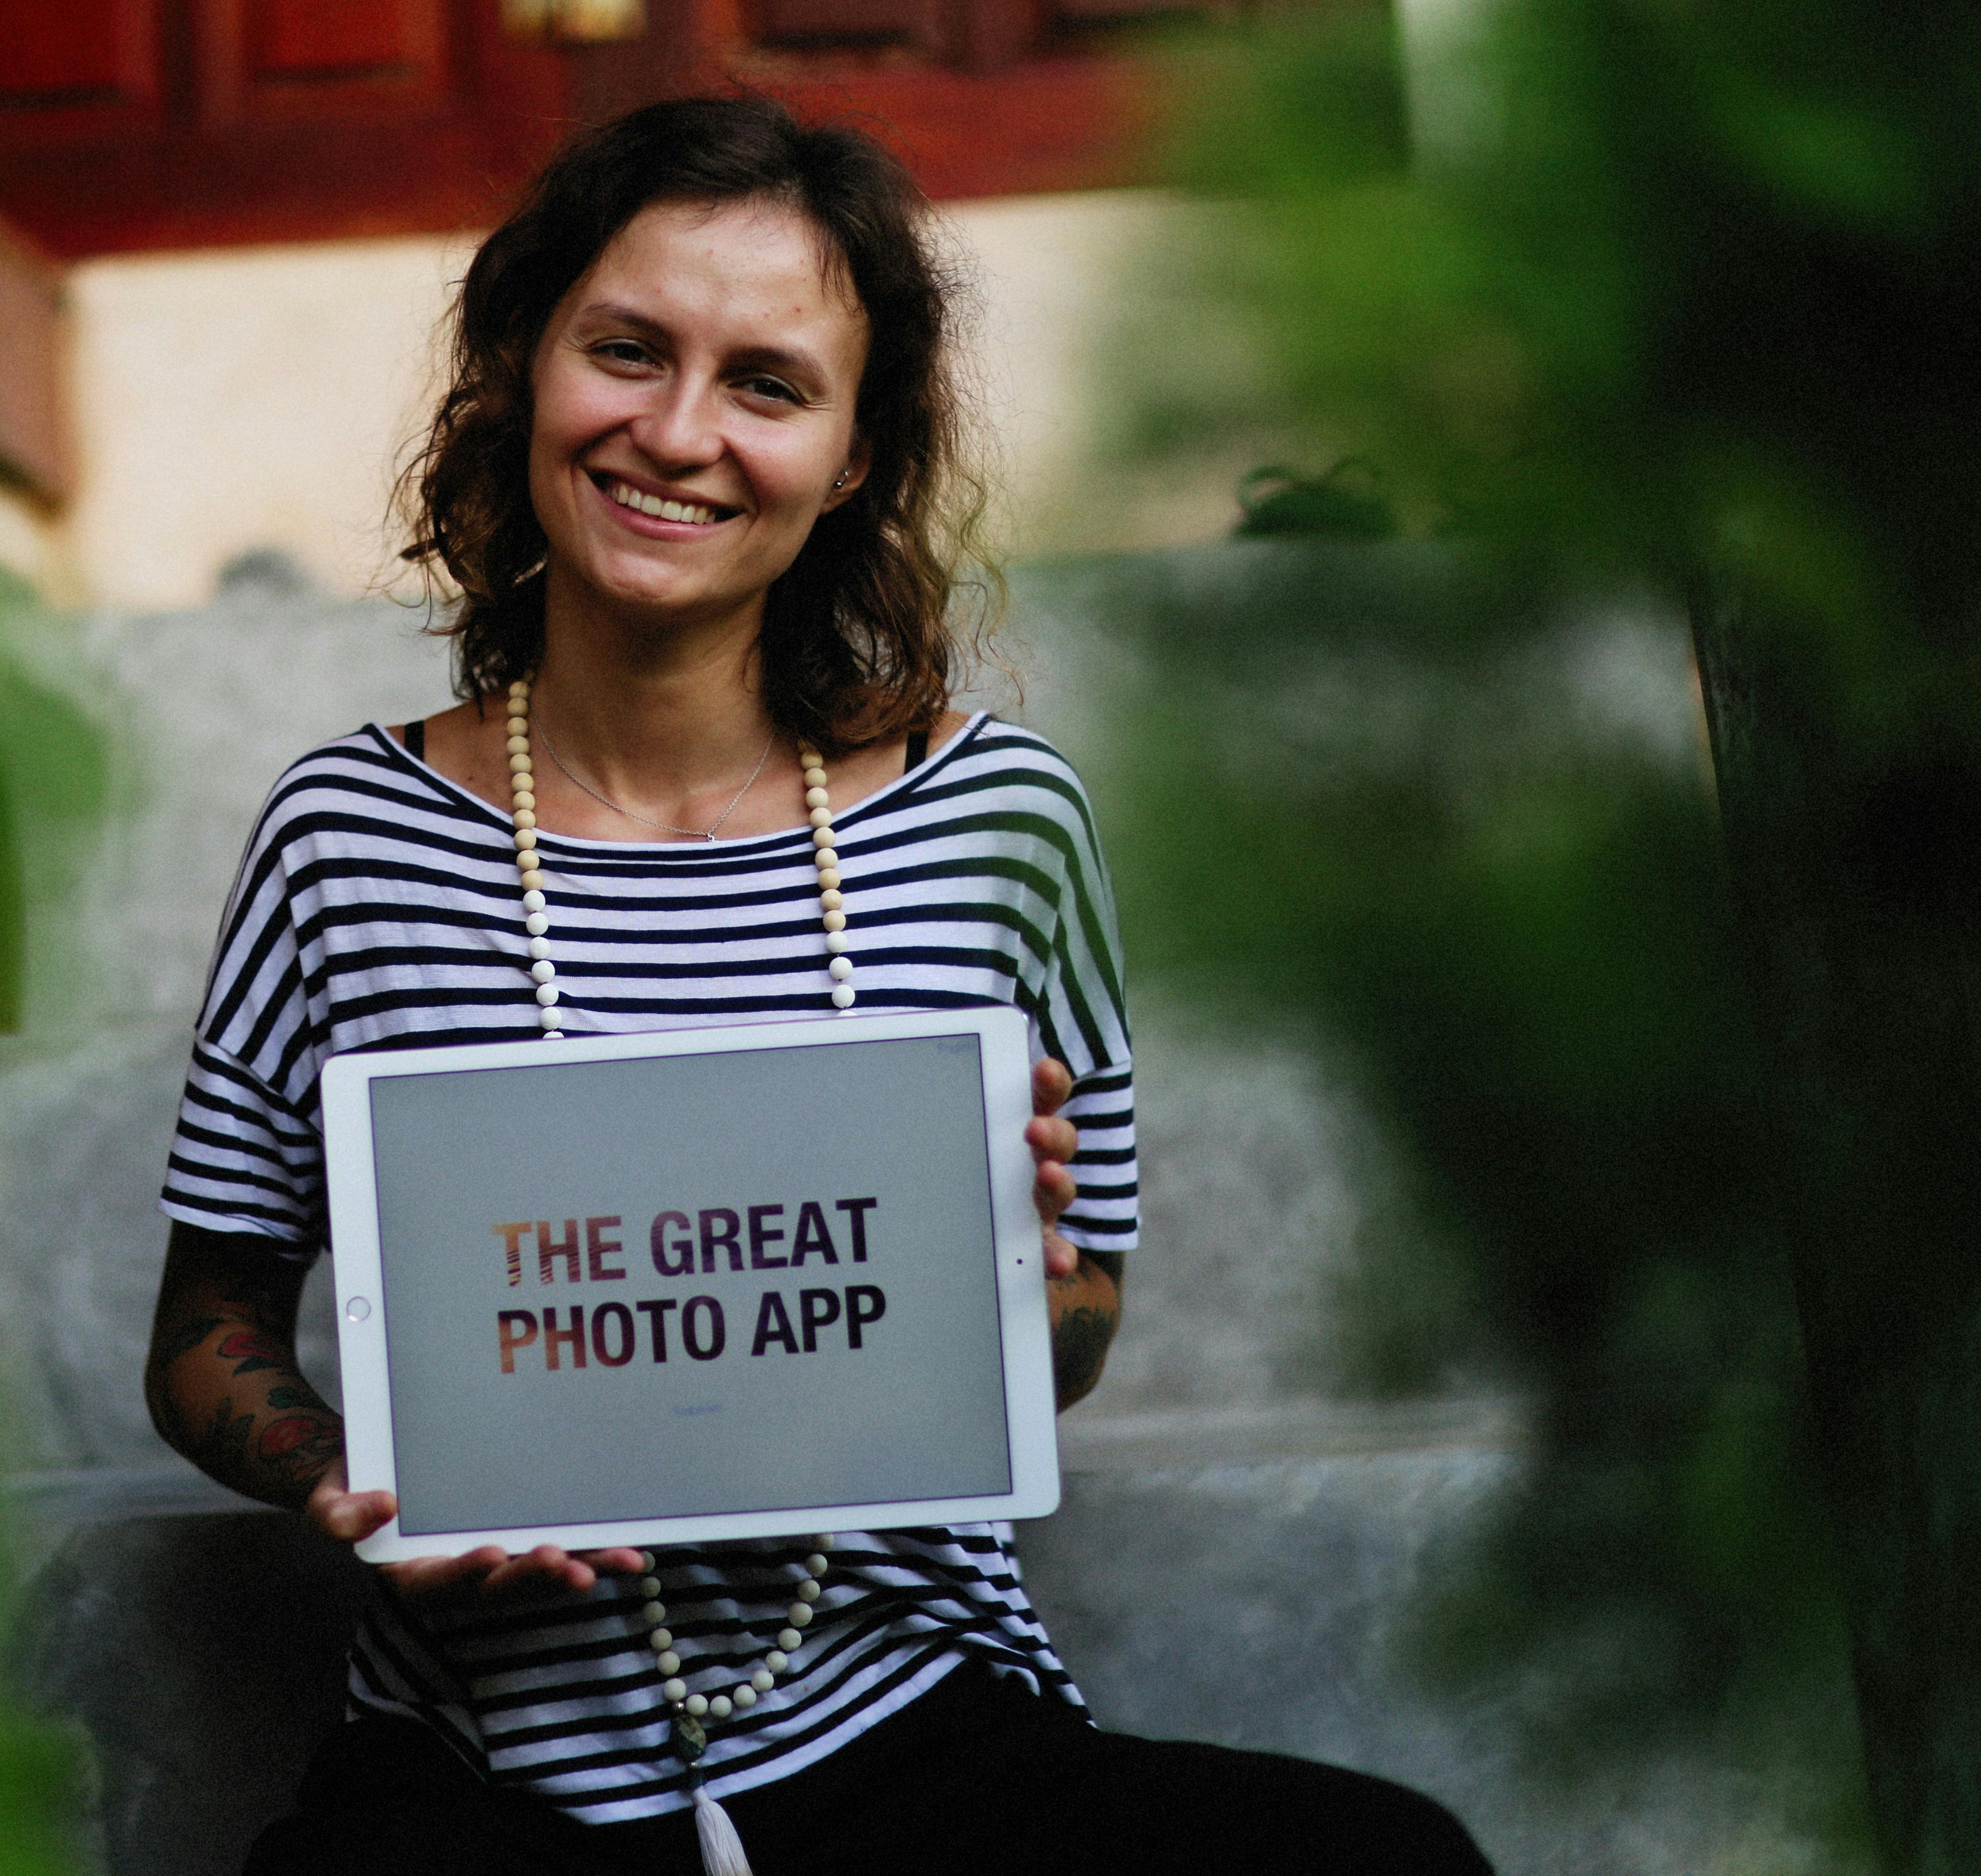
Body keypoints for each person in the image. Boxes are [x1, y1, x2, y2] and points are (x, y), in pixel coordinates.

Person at [144, 96, 1492, 1876]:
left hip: (914, 1725)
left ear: (855, 454)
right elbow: (201, 1332)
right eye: (626, 351)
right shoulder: (346, 832)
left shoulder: (999, 816)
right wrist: (336, 1477)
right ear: (526, 363)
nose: (678, 434)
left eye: (769, 383)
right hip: (479, 1773)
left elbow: (1082, 1324)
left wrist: (1016, 1276)